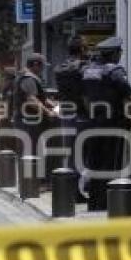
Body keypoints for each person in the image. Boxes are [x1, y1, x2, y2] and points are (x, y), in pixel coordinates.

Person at [80, 36, 131, 210]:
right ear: (115, 54)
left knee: (95, 162)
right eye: (119, 52)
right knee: (112, 163)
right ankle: (109, 202)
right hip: (113, 123)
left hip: (94, 122)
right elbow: (127, 98)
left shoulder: (88, 71)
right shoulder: (115, 71)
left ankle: (94, 201)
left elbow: (86, 99)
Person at [53, 34, 88, 172]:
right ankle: (81, 184)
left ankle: (70, 182)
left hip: (66, 113)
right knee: (84, 150)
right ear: (82, 49)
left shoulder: (60, 68)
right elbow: (85, 92)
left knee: (70, 149)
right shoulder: (83, 67)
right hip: (82, 113)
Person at [11, 53, 57, 157]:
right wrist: (48, 112)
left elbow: (40, 98)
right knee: (30, 153)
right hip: (28, 122)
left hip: (29, 122)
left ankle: (32, 171)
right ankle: (29, 173)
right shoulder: (28, 78)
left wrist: (54, 105)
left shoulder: (30, 77)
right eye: (41, 66)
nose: (42, 69)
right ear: (35, 64)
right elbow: (32, 100)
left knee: (32, 151)